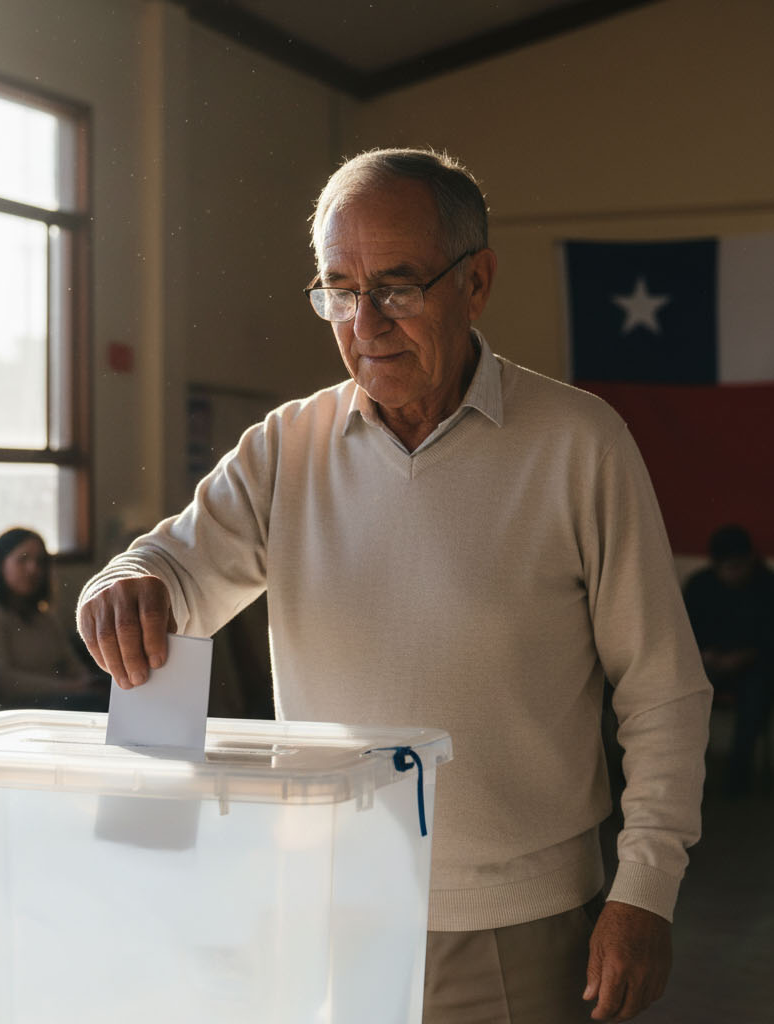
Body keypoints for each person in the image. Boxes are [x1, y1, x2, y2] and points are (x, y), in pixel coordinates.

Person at [76, 148, 710, 1023]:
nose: (363, 322)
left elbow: (663, 689)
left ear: (477, 282)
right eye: (339, 288)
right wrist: (124, 583)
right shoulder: (284, 449)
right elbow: (169, 572)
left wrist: (645, 889)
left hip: (519, 927)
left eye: (398, 287)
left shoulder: (579, 444)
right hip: (324, 905)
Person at [0, 527, 108, 712]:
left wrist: (88, 682)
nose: (33, 569)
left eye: (40, 562)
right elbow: (0, 681)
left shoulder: (41, 615)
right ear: (0, 563)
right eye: (22, 559)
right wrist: (72, 688)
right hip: (12, 711)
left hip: (58, 700)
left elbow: (71, 662)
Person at [683, 524, 774, 796]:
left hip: (753, 666)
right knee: (684, 694)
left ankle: (738, 774)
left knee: (757, 693)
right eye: (729, 566)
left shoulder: (765, 584)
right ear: (716, 565)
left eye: (741, 565)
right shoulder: (700, 585)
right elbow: (683, 632)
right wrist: (704, 655)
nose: (736, 572)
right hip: (707, 662)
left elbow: (769, 639)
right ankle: (686, 772)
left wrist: (743, 657)